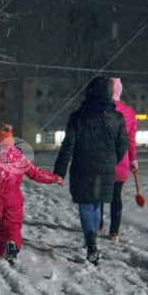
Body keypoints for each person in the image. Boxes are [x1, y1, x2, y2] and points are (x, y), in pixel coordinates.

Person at [54, 77, 129, 264]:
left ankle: (91, 243)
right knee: (96, 203)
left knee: (87, 205)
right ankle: (92, 239)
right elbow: (122, 146)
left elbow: (68, 146)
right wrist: (111, 161)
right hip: (106, 168)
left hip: (82, 167)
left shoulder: (77, 116)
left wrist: (60, 171)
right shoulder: (118, 118)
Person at [0, 125, 63, 265]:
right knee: (13, 225)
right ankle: (12, 244)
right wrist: (54, 178)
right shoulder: (20, 159)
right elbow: (36, 174)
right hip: (14, 197)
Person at [98, 78, 138, 242]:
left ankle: (98, 225)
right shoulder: (129, 112)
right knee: (116, 196)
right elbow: (131, 139)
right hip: (121, 161)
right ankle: (114, 231)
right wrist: (133, 160)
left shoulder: (100, 110)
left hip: (101, 160)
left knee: (99, 195)